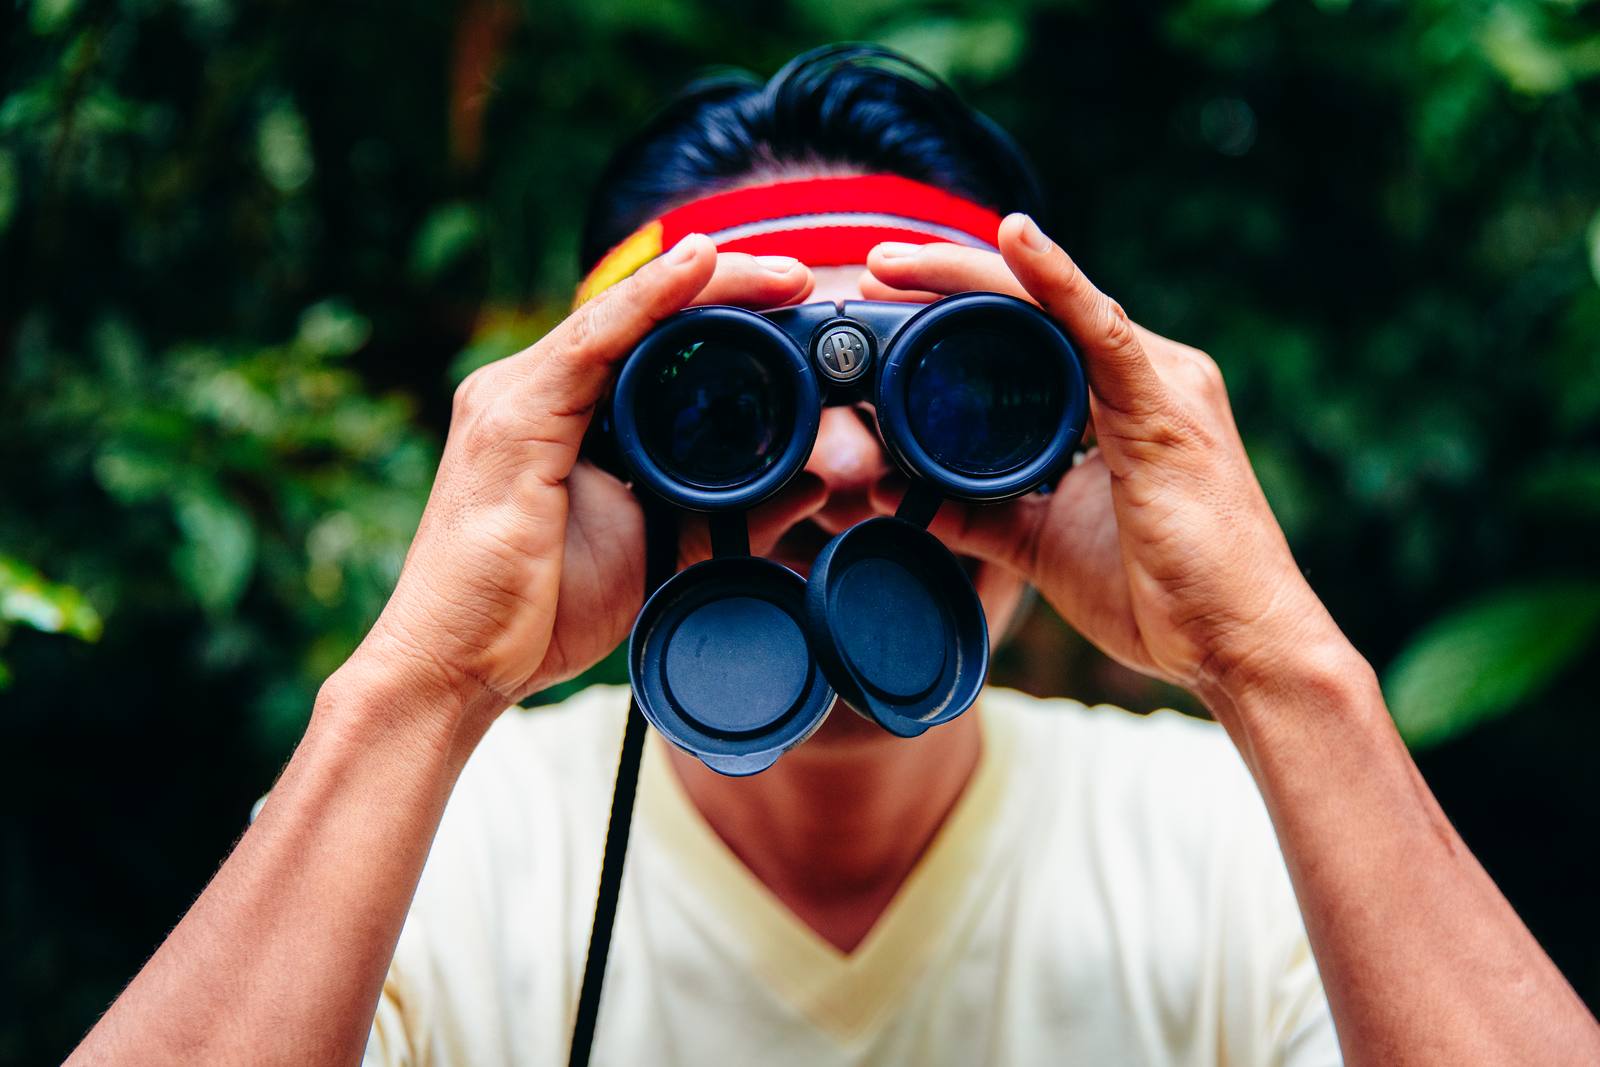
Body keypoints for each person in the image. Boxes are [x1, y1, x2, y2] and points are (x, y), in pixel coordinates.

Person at [67, 45, 1600, 1067]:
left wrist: (1278, 669)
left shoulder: (1232, 839)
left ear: (1065, 422)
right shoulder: (429, 849)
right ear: (598, 437)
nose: (848, 465)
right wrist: (417, 688)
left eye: (954, 393)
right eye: (732, 398)